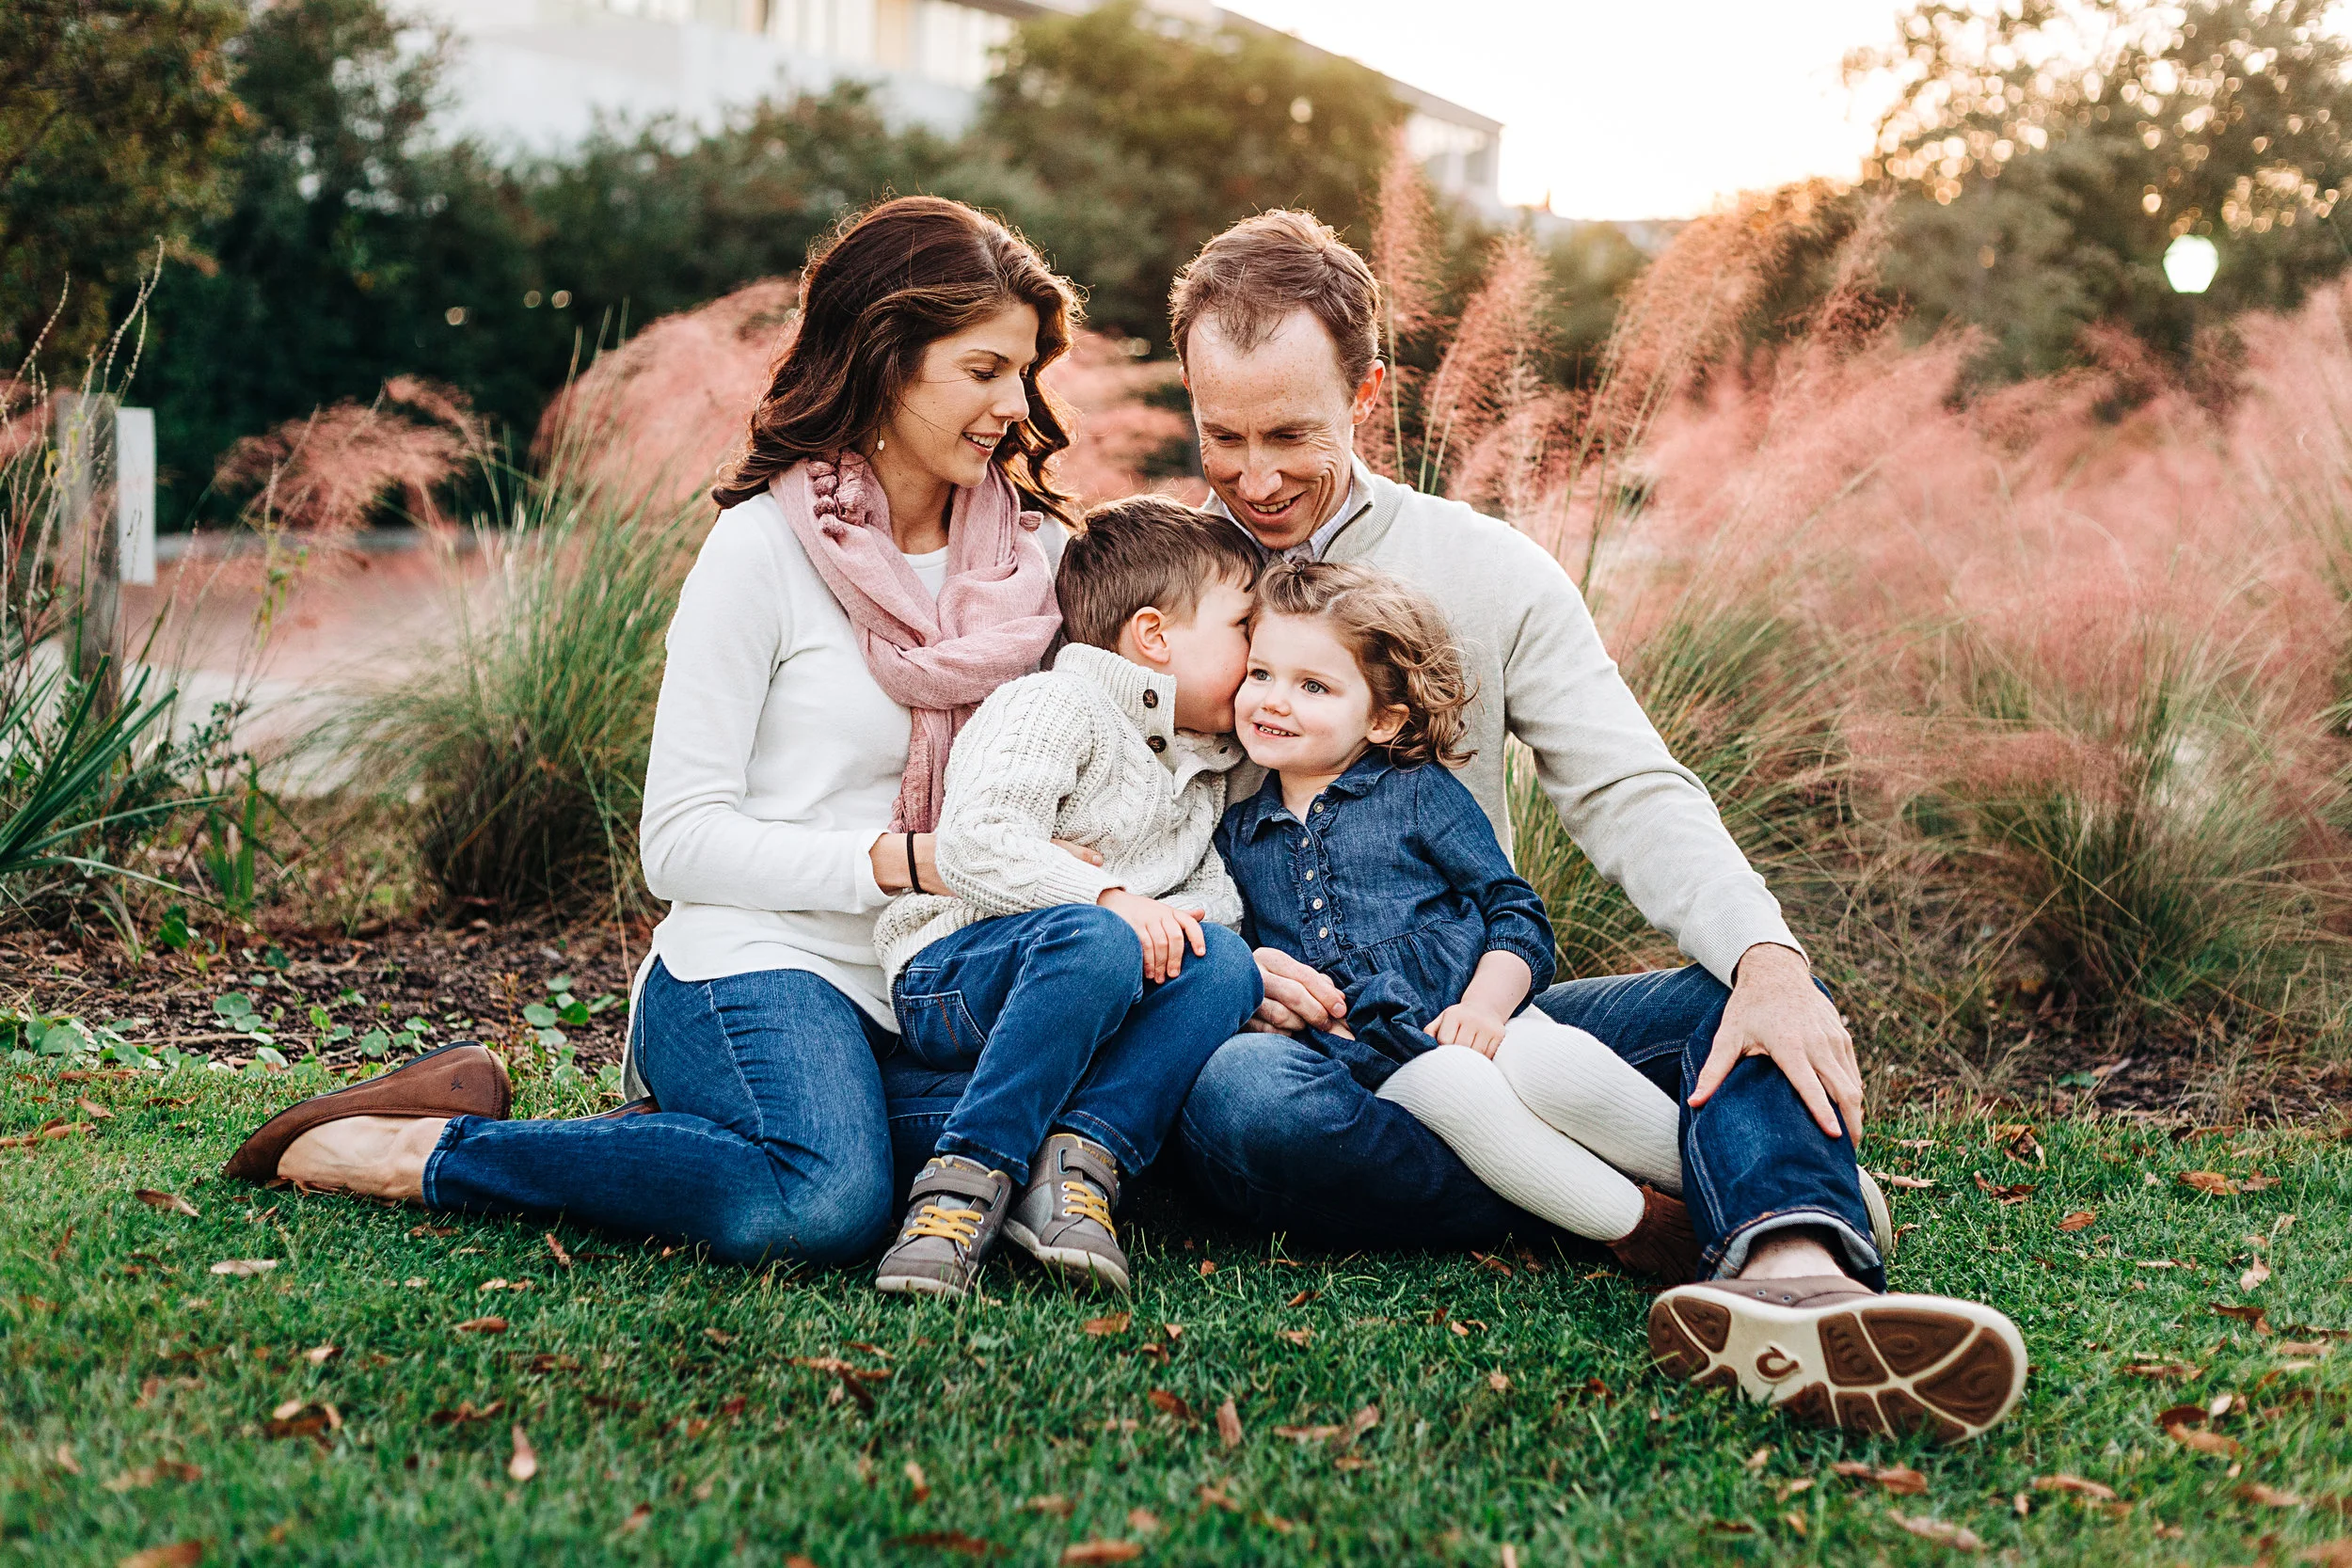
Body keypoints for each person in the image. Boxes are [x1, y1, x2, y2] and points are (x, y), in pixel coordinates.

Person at [1168, 209, 2027, 1442]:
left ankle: (1795, 1269)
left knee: (1740, 989)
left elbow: (1626, 781)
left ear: (1365, 390)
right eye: (1223, 435)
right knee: (1242, 1103)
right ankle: (1665, 1196)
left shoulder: (1492, 569)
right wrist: (1222, 968)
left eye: (1291, 433)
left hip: (1491, 1016)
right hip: (1302, 1050)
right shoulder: (1166, 585)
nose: (1254, 477)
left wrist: (1765, 955)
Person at [219, 196, 1103, 1267]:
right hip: (759, 958)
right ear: (884, 356)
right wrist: (913, 858)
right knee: (822, 1199)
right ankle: (424, 1147)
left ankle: (702, 1136)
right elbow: (677, 842)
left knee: (1072, 1145)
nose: (1015, 403)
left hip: (934, 976)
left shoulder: (1037, 560)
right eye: (982, 369)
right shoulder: (763, 550)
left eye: (1023, 372)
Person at [1216, 560, 1698, 1282]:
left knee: (1555, 1066)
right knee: (1455, 1088)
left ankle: (1742, 1184)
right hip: (1373, 1060)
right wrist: (1269, 1002)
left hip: (1483, 1012)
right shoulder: (1239, 835)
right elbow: (1249, 958)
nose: (1273, 700)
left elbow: (1514, 910)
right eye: (1261, 674)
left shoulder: (1416, 793)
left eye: (1312, 685)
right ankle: (1646, 1228)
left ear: (1383, 718)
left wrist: (1484, 1009)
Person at [866, 495, 1264, 1298]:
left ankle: (1079, 1159)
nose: (1259, 657)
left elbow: (1209, 899)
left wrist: (1234, 956)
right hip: (955, 972)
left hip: (1090, 982)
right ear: (1153, 635)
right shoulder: (1054, 705)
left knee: (1226, 961)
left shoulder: (1199, 768)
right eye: (1244, 631)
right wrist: (1109, 895)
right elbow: (977, 842)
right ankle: (960, 1182)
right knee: (1096, 937)